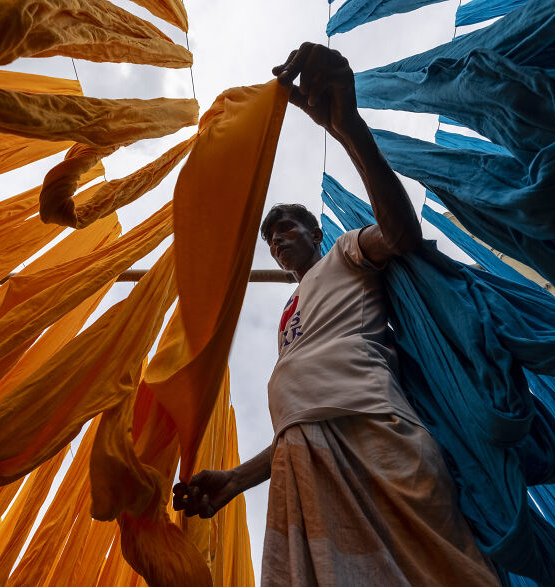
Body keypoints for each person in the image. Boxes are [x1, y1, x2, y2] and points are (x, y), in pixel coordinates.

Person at [173, 43, 500, 586]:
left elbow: (401, 232)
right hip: (301, 459)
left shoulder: (347, 251)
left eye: (287, 228)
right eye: (271, 238)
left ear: (316, 232)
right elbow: (303, 414)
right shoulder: (288, 313)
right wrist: (236, 479)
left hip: (374, 428)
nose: (278, 241)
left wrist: (348, 129)